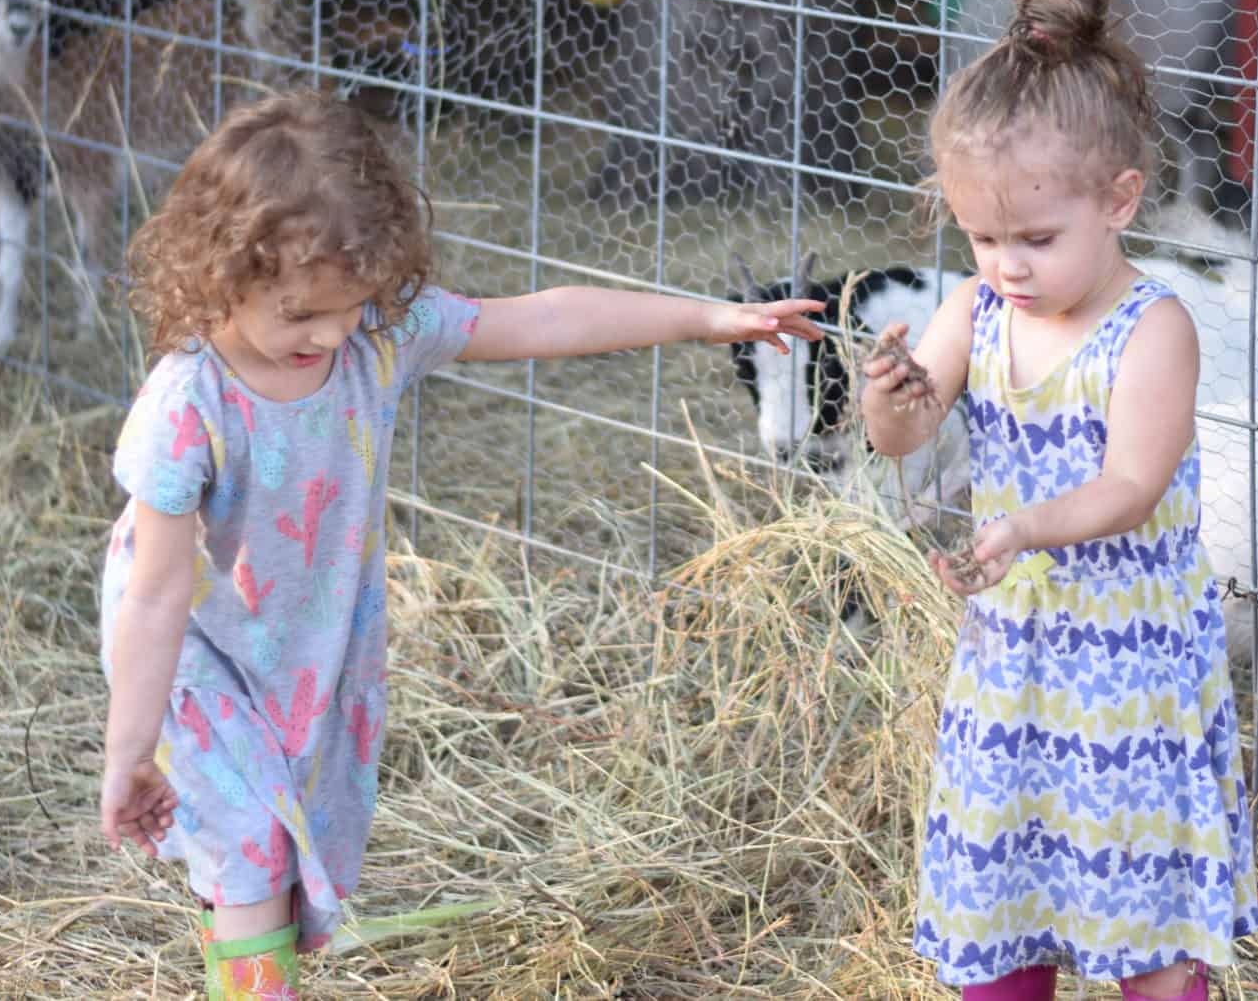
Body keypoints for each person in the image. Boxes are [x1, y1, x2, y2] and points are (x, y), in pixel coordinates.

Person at [94, 92, 824, 997]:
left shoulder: (374, 336)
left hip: (306, 637)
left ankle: (246, 952)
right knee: (251, 840)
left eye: (347, 306)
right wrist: (130, 748)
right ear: (222, 274)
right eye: (297, 313)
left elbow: (540, 318)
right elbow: (156, 597)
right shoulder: (187, 405)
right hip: (191, 646)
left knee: (284, 844)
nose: (326, 335)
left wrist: (707, 319)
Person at [861, 0, 1258, 1001]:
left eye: (1034, 237)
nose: (1004, 264)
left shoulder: (1152, 329)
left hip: (1129, 671)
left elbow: (1129, 484)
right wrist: (887, 396)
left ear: (1120, 199)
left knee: (1143, 904)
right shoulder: (974, 313)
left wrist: (1023, 527)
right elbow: (902, 438)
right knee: (1005, 894)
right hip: (1013, 662)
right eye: (981, 236)